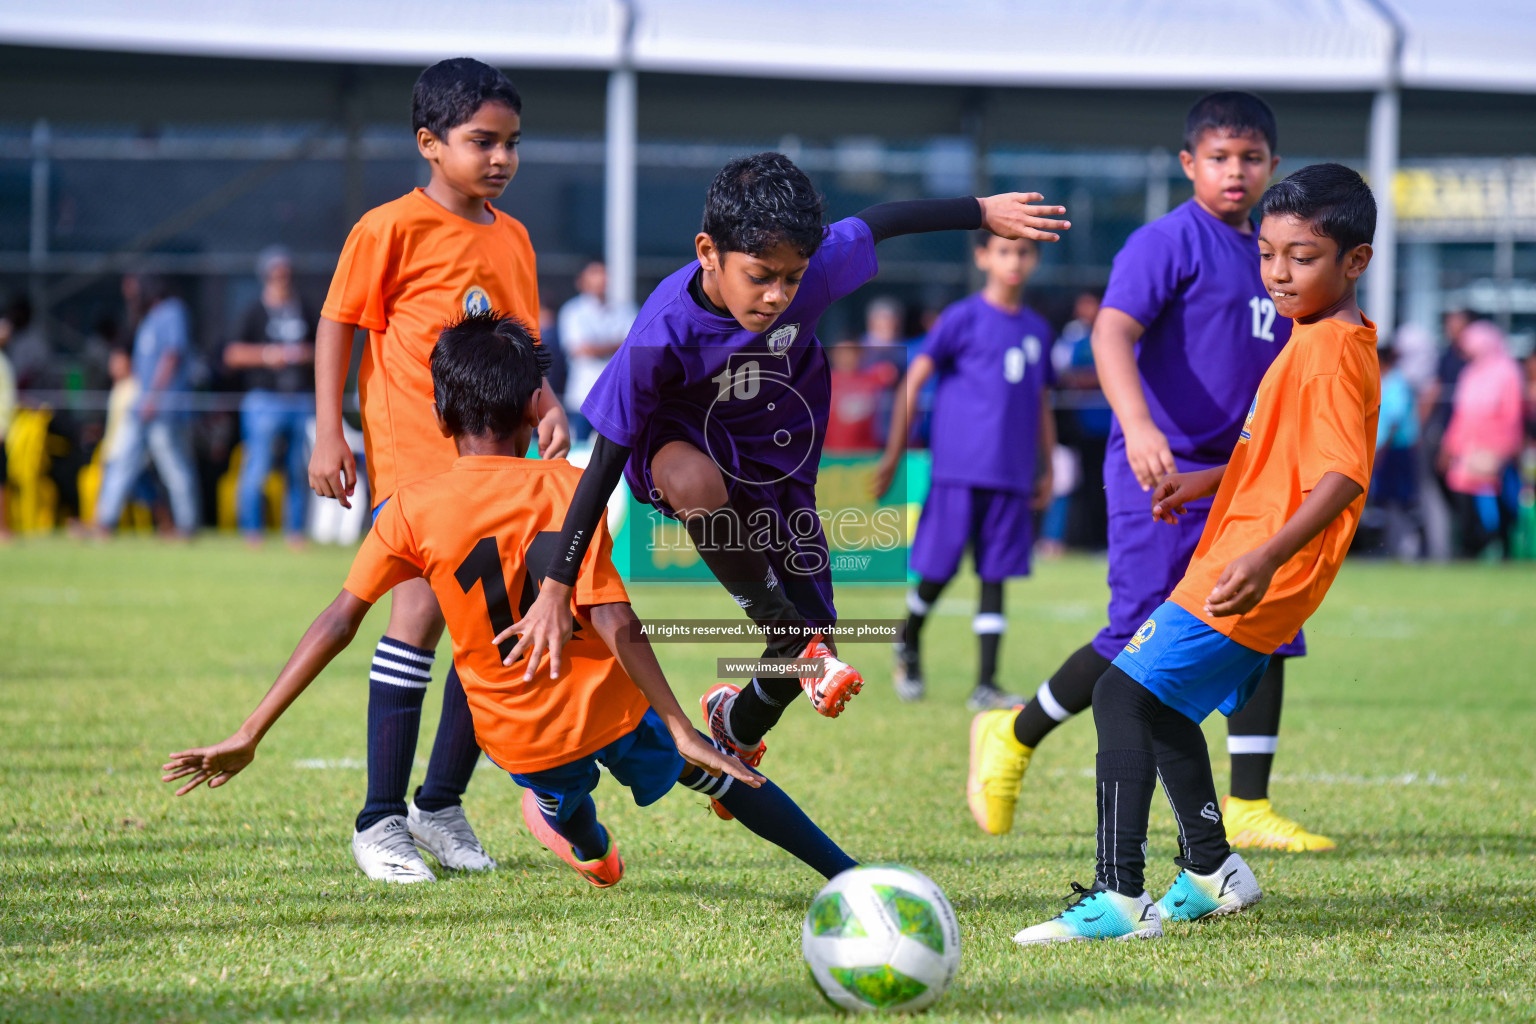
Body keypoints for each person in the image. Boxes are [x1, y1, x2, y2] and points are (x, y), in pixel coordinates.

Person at [161, 311, 857, 890]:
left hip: (518, 737)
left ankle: (579, 834)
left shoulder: (410, 509)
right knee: (725, 776)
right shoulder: (566, 490)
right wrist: (679, 725)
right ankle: (847, 873)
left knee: (571, 808)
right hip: (613, 710)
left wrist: (251, 729)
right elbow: (615, 618)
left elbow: (339, 622)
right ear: (535, 408)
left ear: (438, 413)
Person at [503, 152, 1069, 819]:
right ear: (708, 252)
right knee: (717, 515)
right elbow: (603, 462)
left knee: (806, 649)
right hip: (685, 454)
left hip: (780, 468)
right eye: (760, 277)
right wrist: (558, 584)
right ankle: (789, 630)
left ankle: (736, 725)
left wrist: (980, 211)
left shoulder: (814, 271)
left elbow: (881, 220)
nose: (776, 295)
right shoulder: (663, 332)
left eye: (792, 278)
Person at [1010, 162, 1380, 944]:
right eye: (1269, 254)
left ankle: (1119, 896)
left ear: (1355, 262)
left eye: (1302, 257)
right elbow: (1279, 454)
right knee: (1165, 706)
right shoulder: (1308, 334)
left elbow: (1345, 474)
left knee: (1118, 695)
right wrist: (1206, 479)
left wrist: (1268, 556)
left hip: (1253, 565)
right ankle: (1215, 872)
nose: (1278, 273)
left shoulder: (1337, 349)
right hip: (1236, 548)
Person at [967, 92, 1334, 853]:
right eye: (1220, 158)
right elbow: (1111, 332)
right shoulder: (1166, 242)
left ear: (1273, 165)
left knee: (1266, 624)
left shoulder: (1276, 252)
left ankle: (1249, 804)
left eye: (1252, 158)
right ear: (1188, 165)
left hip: (1244, 476)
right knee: (1137, 632)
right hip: (1159, 474)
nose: (1236, 172)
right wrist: (1138, 428)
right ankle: (1013, 733)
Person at [307, 57, 570, 883]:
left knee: (490, 628)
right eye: (481, 142)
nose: (500, 159)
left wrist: (547, 401)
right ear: (430, 143)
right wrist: (329, 432)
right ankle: (379, 819)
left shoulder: (515, 236)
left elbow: (519, 343)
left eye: (512, 144)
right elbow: (335, 327)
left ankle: (440, 803)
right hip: (420, 458)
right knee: (420, 614)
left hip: (500, 460)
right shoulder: (387, 228)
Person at [872, 233, 1056, 710]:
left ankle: (986, 684)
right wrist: (894, 452)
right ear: (982, 257)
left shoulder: (1037, 329)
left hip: (1012, 475)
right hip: (959, 470)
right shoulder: (963, 317)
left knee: (996, 577)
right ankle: (907, 642)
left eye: (1023, 252)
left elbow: (1041, 401)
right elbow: (914, 378)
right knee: (937, 572)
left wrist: (1048, 464)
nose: (1013, 261)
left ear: (1035, 259)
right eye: (1003, 251)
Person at [93, 275, 200, 537]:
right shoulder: (147, 318)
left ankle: (186, 526)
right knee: (121, 461)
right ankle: (104, 523)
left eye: (133, 291)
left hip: (162, 407)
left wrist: (154, 395)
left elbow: (172, 354)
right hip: (141, 406)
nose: (131, 297)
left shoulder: (172, 311)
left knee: (173, 467)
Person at [224, 246, 316, 545]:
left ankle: (295, 534)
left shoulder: (304, 308)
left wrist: (304, 354)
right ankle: (252, 532)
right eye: (275, 273)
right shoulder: (253, 311)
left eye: (285, 273)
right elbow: (232, 354)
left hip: (299, 398)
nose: (281, 279)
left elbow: (323, 348)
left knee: (298, 469)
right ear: (265, 276)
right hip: (264, 399)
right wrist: (267, 355)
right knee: (257, 467)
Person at [1440, 320, 1524, 559]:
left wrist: (1506, 448)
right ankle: (1472, 545)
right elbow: (1461, 415)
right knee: (1462, 494)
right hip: (1467, 449)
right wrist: (1450, 446)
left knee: (1499, 500)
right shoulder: (1470, 373)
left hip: (1496, 450)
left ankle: (1502, 546)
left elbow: (1512, 415)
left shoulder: (1507, 372)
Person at [557, 259, 635, 442]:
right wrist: (617, 345)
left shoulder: (625, 309)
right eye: (595, 273)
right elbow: (580, 349)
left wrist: (598, 347)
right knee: (580, 451)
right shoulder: (572, 311)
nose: (601, 279)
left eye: (604, 273)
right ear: (582, 280)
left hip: (616, 398)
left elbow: (635, 346)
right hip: (583, 396)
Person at [1371, 343, 1421, 559]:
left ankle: (1406, 547)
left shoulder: (1397, 383)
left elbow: (1395, 421)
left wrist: (1381, 450)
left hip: (1396, 450)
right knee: (1385, 500)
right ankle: (1389, 545)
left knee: (1401, 500)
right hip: (1386, 449)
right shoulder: (1385, 381)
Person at [824, 337, 896, 452]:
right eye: (841, 353)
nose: (846, 357)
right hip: (832, 454)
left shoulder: (872, 378)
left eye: (851, 352)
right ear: (834, 355)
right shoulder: (824, 381)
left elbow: (891, 374)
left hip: (866, 454)